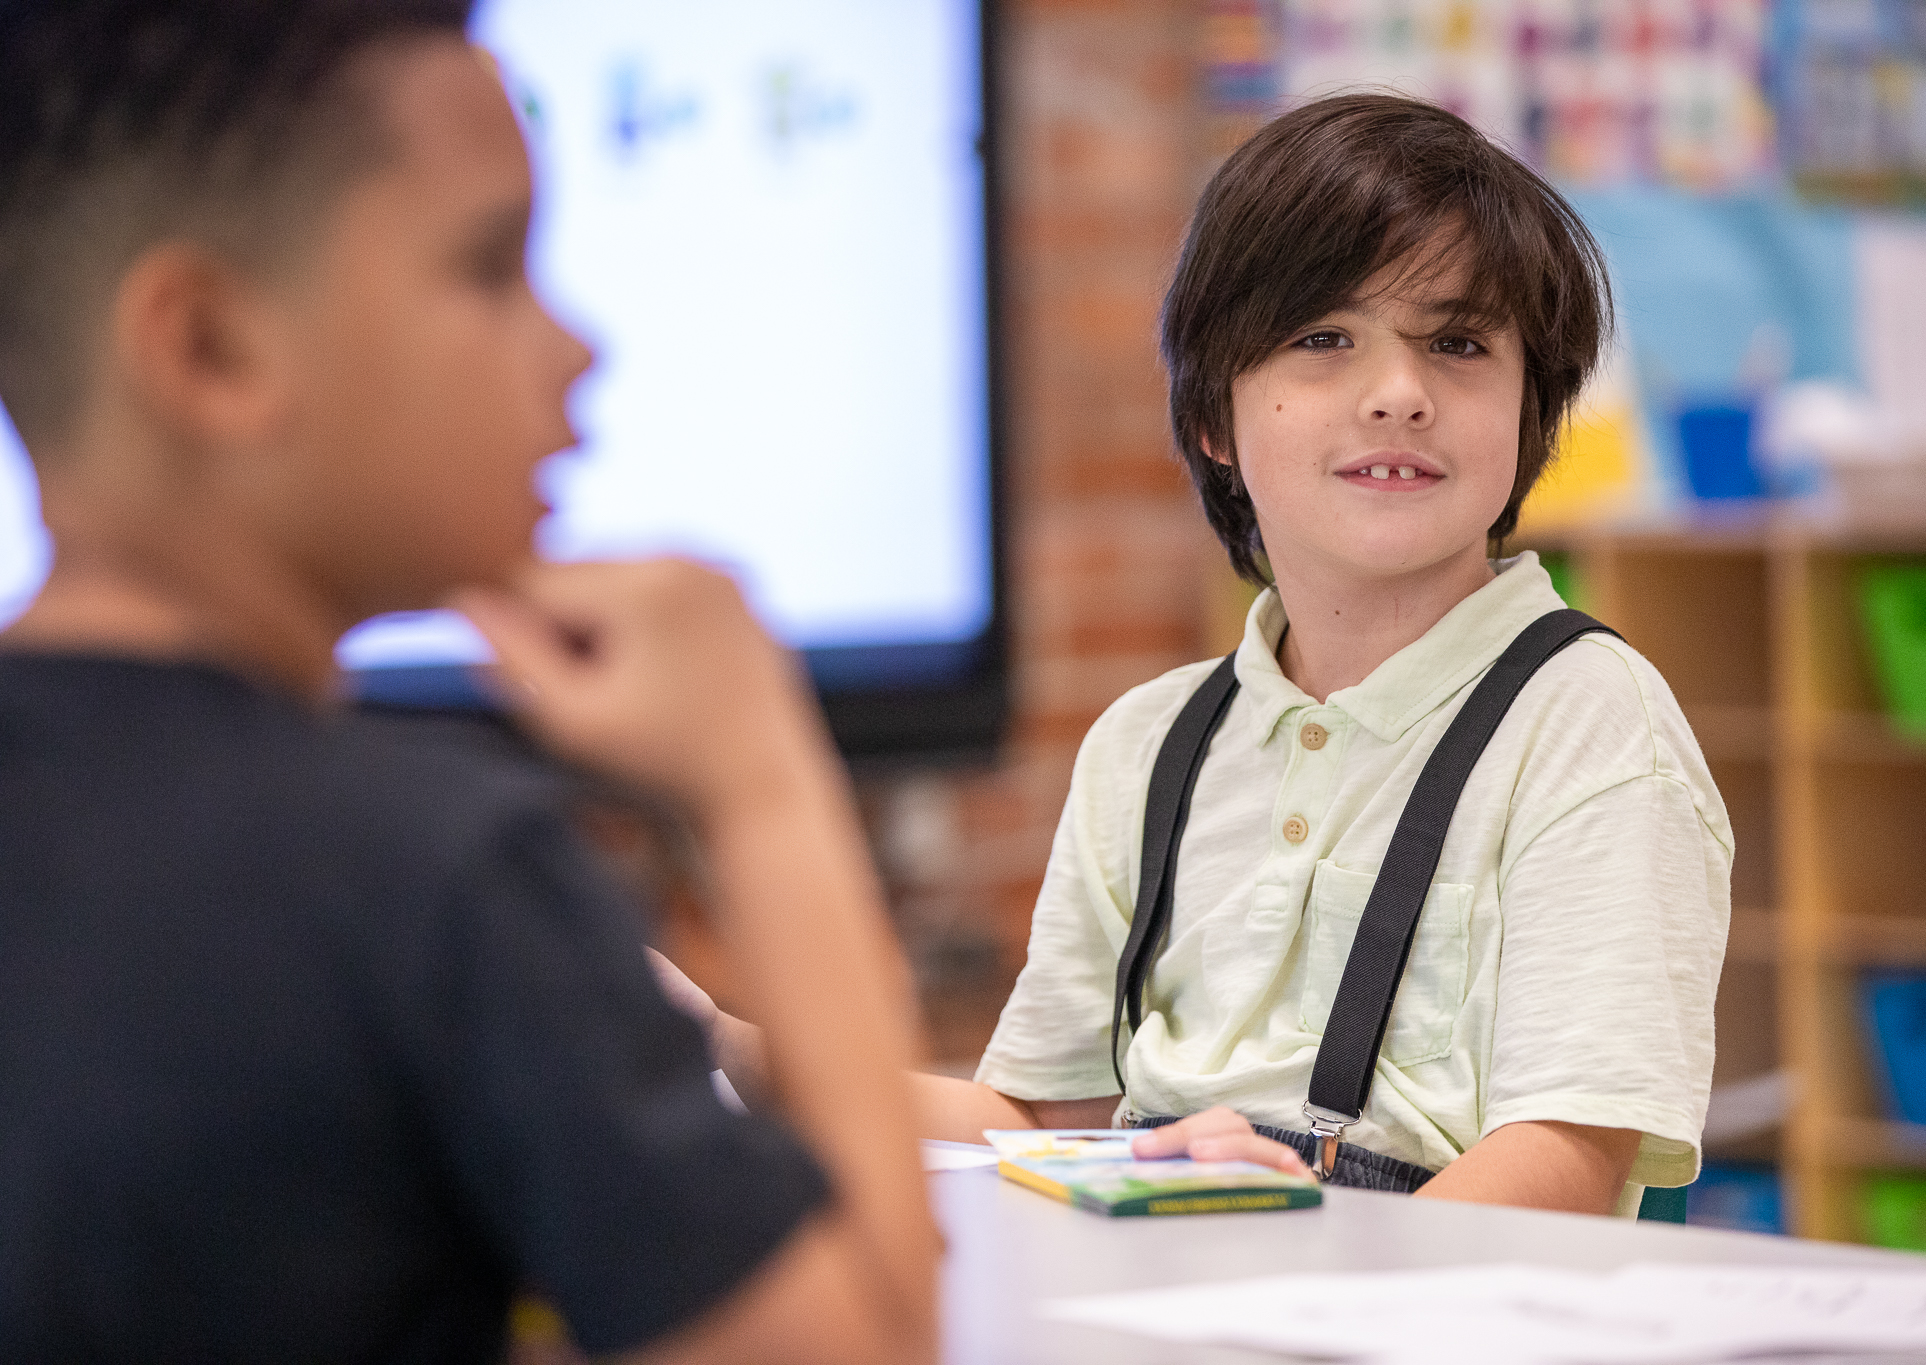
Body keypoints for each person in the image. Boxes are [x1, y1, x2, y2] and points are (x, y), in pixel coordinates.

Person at [0, 2, 936, 1361]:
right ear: (209, 347)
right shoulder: (435, 875)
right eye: (492, 269)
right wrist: (761, 785)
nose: (577, 350)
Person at [691, 94, 1733, 1216]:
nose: (1397, 393)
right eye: (1323, 339)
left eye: (1456, 343)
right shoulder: (1145, 746)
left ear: (1532, 410)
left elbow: (1562, 1164)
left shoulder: (1586, 723)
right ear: (1213, 420)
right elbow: (1038, 1126)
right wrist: (722, 1046)